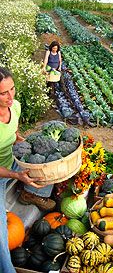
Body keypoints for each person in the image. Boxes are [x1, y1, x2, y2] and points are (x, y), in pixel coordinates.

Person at [0, 67, 56, 273]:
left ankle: (30, 193)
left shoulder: (15, 107)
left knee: (52, 163)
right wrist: (16, 175)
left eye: (12, 89)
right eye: (3, 93)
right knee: (0, 237)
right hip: (1, 172)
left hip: (14, 160)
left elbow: (14, 134)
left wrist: (30, 146)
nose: (10, 96)